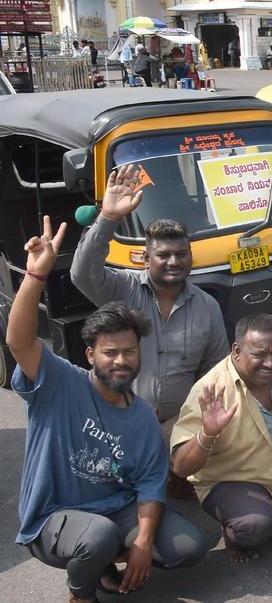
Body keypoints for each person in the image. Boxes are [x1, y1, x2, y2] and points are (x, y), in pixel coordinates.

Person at [9, 217, 208, 602]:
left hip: (116, 510)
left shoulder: (143, 416)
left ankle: (102, 562)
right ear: (90, 355)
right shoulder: (59, 382)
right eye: (110, 352)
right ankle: (82, 592)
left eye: (129, 351)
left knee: (188, 546)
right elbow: (19, 342)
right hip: (55, 516)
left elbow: (150, 484)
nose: (120, 360)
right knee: (96, 537)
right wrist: (35, 277)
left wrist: (143, 542)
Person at [70, 165, 229, 495]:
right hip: (119, 421)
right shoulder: (121, 289)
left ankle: (173, 475)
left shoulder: (207, 306)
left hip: (178, 426)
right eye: (164, 255)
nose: (174, 261)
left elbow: (215, 373)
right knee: (117, 495)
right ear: (145, 259)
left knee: (180, 492)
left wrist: (199, 429)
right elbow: (82, 274)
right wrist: (108, 218)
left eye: (181, 254)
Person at [171, 314, 272, 562]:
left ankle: (268, 517)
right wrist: (208, 433)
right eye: (259, 354)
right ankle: (241, 525)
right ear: (236, 351)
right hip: (234, 481)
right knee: (253, 527)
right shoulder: (211, 390)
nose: (270, 363)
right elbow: (180, 466)